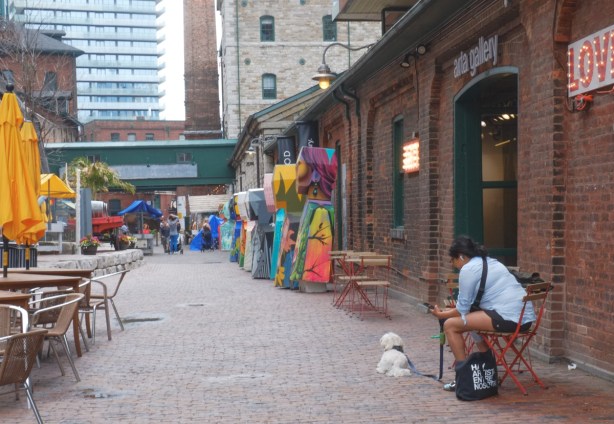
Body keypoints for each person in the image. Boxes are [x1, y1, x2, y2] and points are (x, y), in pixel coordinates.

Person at [430, 235, 535, 391]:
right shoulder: (492, 262)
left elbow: (462, 310)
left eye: (453, 261)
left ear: (461, 256)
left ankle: (463, 378)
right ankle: (489, 372)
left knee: (451, 325)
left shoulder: (468, 269)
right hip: (525, 319)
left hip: (508, 318)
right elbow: (467, 308)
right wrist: (452, 311)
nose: (454, 265)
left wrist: (441, 315)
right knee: (470, 321)